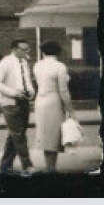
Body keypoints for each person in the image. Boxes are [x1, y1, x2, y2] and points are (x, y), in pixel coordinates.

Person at [0, 36, 36, 176]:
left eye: (27, 49)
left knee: (16, 134)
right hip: (10, 103)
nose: (27, 52)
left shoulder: (24, 62)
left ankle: (5, 166)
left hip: (23, 101)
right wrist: (13, 93)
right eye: (24, 49)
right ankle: (27, 166)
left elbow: (26, 80)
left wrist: (31, 91)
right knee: (18, 135)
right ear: (15, 49)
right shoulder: (5, 63)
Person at [33, 40, 75, 173]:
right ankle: (51, 168)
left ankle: (49, 166)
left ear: (43, 52)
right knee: (54, 135)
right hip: (53, 101)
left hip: (40, 101)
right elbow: (63, 91)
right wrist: (70, 110)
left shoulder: (37, 65)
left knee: (45, 135)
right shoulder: (60, 66)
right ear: (58, 52)